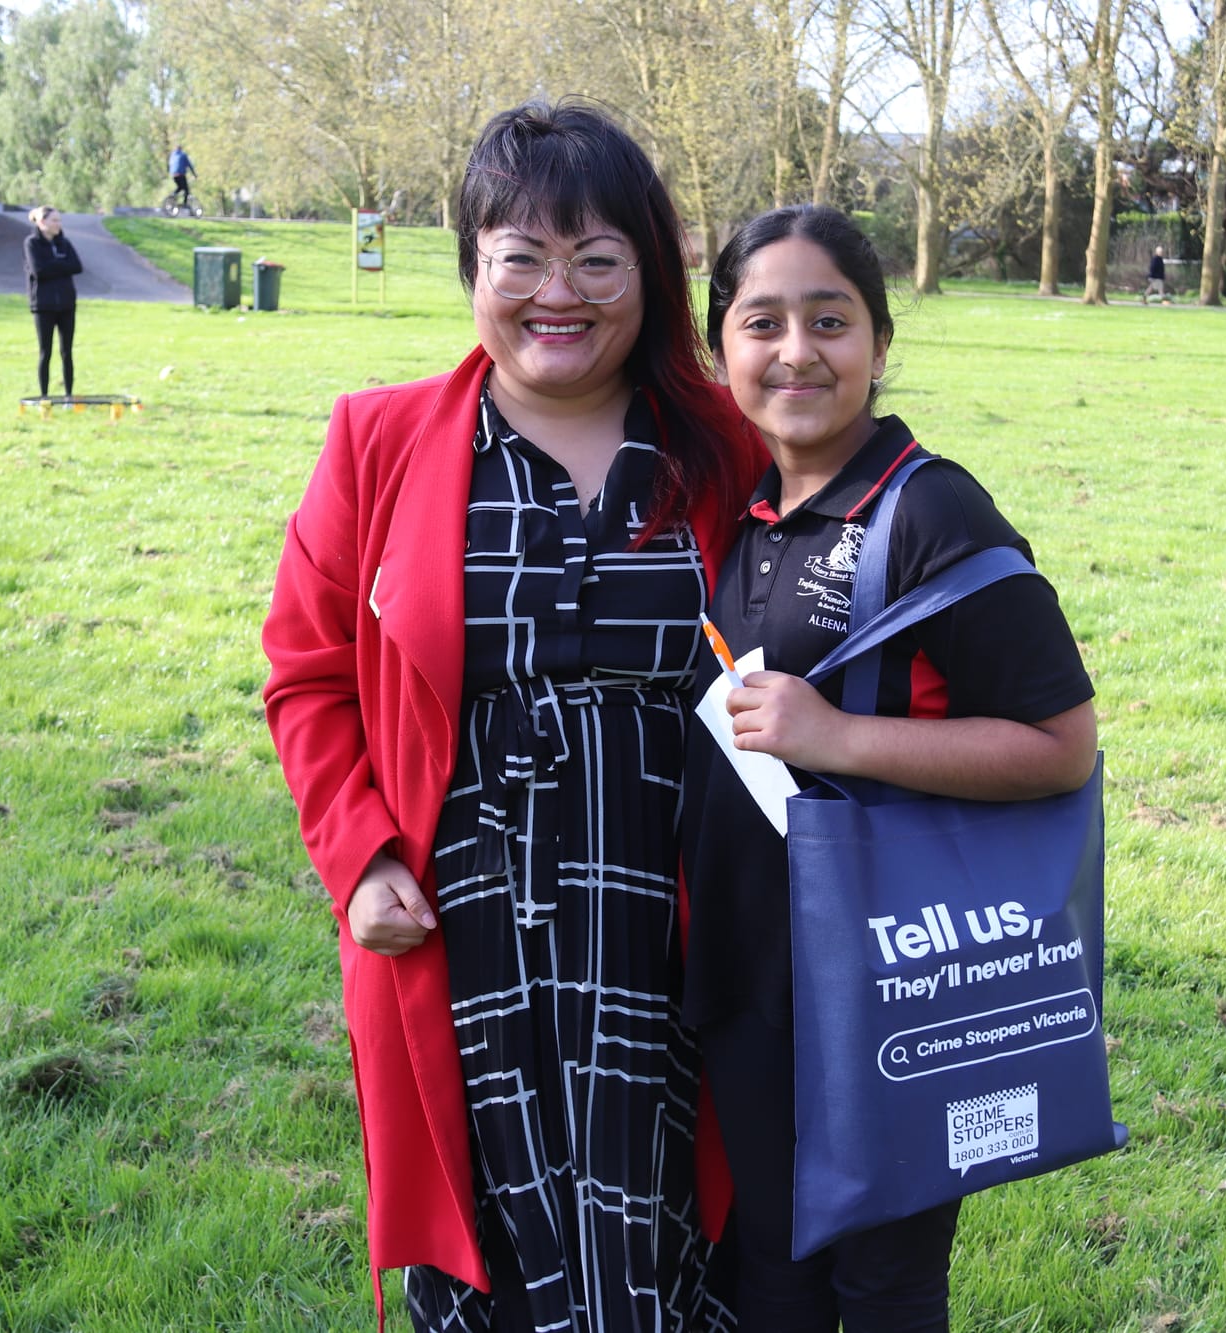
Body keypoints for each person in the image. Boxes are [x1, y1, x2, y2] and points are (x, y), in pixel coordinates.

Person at [261, 100, 760, 1331]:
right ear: (473, 268)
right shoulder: (380, 442)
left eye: (597, 259)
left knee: (669, 1232)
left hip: (674, 925)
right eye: (521, 257)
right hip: (463, 921)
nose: (559, 292)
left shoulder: (726, 450)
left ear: (648, 273)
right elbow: (306, 672)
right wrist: (360, 855)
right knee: (491, 1241)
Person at [683, 204, 1098, 1332]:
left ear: (877, 340)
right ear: (719, 344)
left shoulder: (929, 510)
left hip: (888, 987)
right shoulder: (743, 509)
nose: (795, 351)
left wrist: (836, 737)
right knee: (767, 1262)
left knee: (881, 1285)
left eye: (830, 320)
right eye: (760, 321)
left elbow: (1060, 746)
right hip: (748, 972)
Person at [23, 205, 82, 399]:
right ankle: (44, 396)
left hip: (66, 305)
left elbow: (77, 266)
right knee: (45, 352)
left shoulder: (64, 243)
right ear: (42, 223)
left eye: (59, 220)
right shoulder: (31, 244)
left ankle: (68, 396)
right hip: (43, 306)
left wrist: (54, 265)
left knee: (67, 352)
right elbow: (39, 271)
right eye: (54, 220)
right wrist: (60, 265)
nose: (58, 224)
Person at [168, 144, 195, 209]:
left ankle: (173, 195)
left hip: (174, 175)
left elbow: (170, 165)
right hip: (181, 175)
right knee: (186, 190)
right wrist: (194, 174)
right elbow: (190, 165)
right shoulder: (183, 155)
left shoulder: (172, 155)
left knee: (180, 187)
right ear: (181, 149)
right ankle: (185, 204)